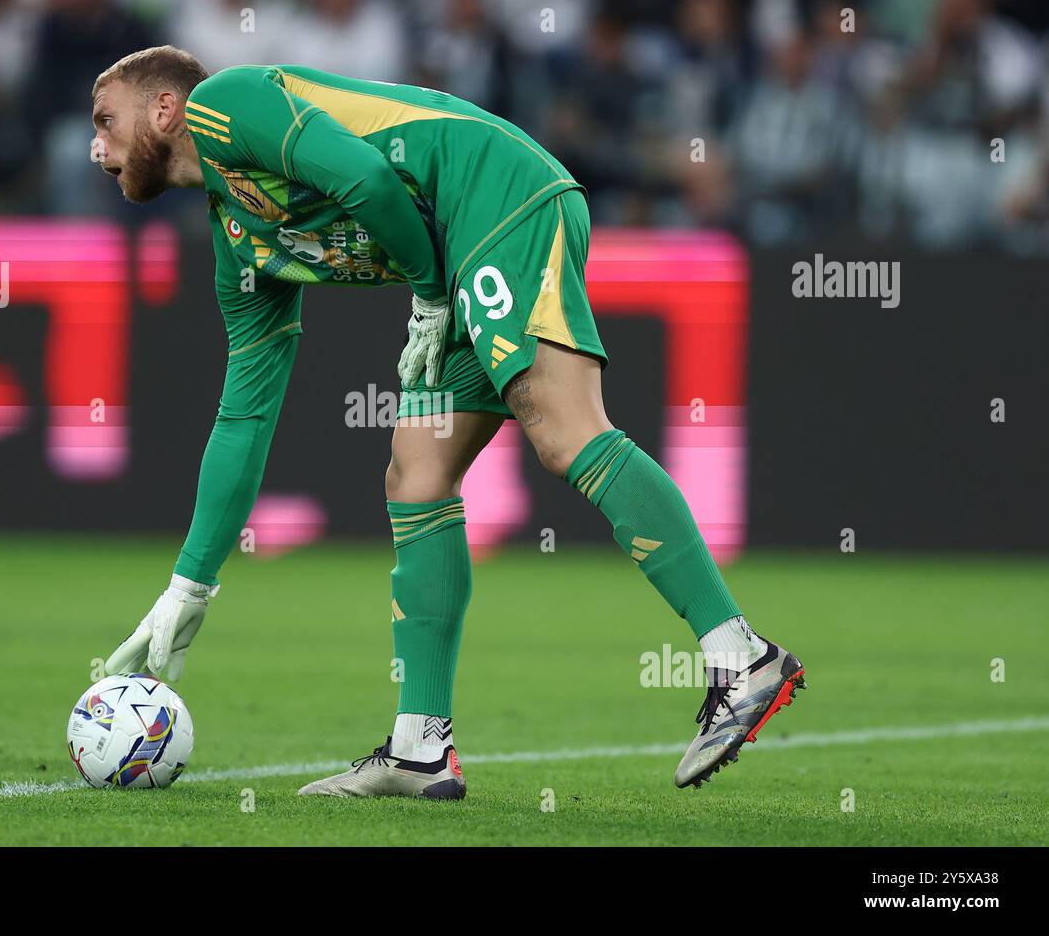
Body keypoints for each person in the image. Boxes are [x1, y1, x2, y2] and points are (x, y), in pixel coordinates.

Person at [93, 46, 805, 797]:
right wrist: (189, 585)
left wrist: (431, 294)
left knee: (563, 429)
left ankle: (742, 655)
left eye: (107, 120)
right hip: (454, 252)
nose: (96, 147)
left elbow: (365, 176)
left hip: (495, 194)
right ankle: (419, 747)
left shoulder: (227, 103)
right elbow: (244, 415)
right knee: (416, 473)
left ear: (165, 109)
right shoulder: (240, 241)